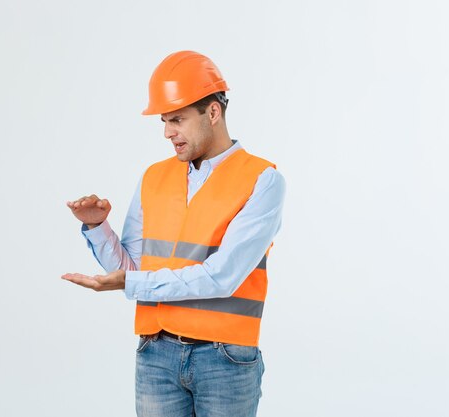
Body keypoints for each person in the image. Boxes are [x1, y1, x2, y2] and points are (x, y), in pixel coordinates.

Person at [62, 50, 286, 417]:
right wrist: (97, 227)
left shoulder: (262, 180)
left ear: (213, 112)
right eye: (165, 121)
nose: (168, 132)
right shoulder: (154, 176)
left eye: (177, 120)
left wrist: (131, 284)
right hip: (156, 356)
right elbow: (132, 268)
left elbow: (223, 277)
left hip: (224, 359)